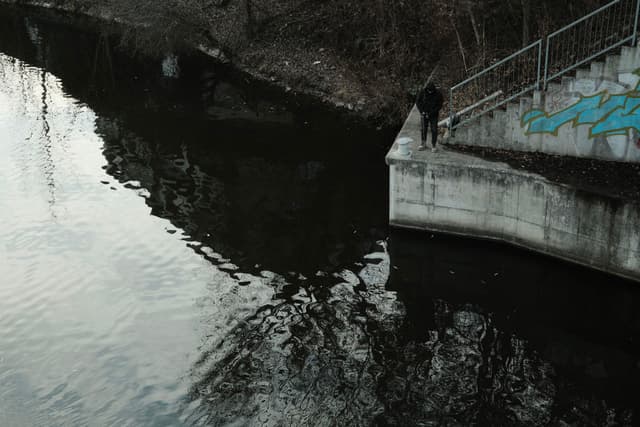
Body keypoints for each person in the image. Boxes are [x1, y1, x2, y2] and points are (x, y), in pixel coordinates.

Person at [416, 82, 444, 152]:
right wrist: (421, 111)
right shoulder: (422, 92)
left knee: (434, 129)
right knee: (423, 129)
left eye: (431, 91)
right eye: (429, 91)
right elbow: (418, 102)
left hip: (433, 115)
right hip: (424, 113)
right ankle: (423, 144)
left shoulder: (438, 94)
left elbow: (439, 105)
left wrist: (431, 113)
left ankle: (433, 145)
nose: (430, 92)